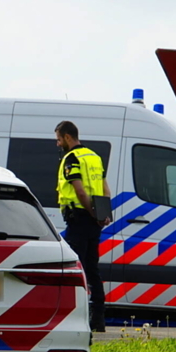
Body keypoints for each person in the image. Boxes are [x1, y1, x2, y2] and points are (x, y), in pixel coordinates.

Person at [55, 120, 111, 332]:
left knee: (73, 269)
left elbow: (79, 191)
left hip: (79, 218)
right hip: (94, 221)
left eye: (59, 139)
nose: (58, 144)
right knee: (92, 269)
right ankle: (98, 318)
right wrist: (102, 215)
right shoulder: (94, 157)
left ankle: (74, 316)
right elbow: (106, 190)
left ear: (67, 137)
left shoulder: (72, 158)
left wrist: (92, 213)